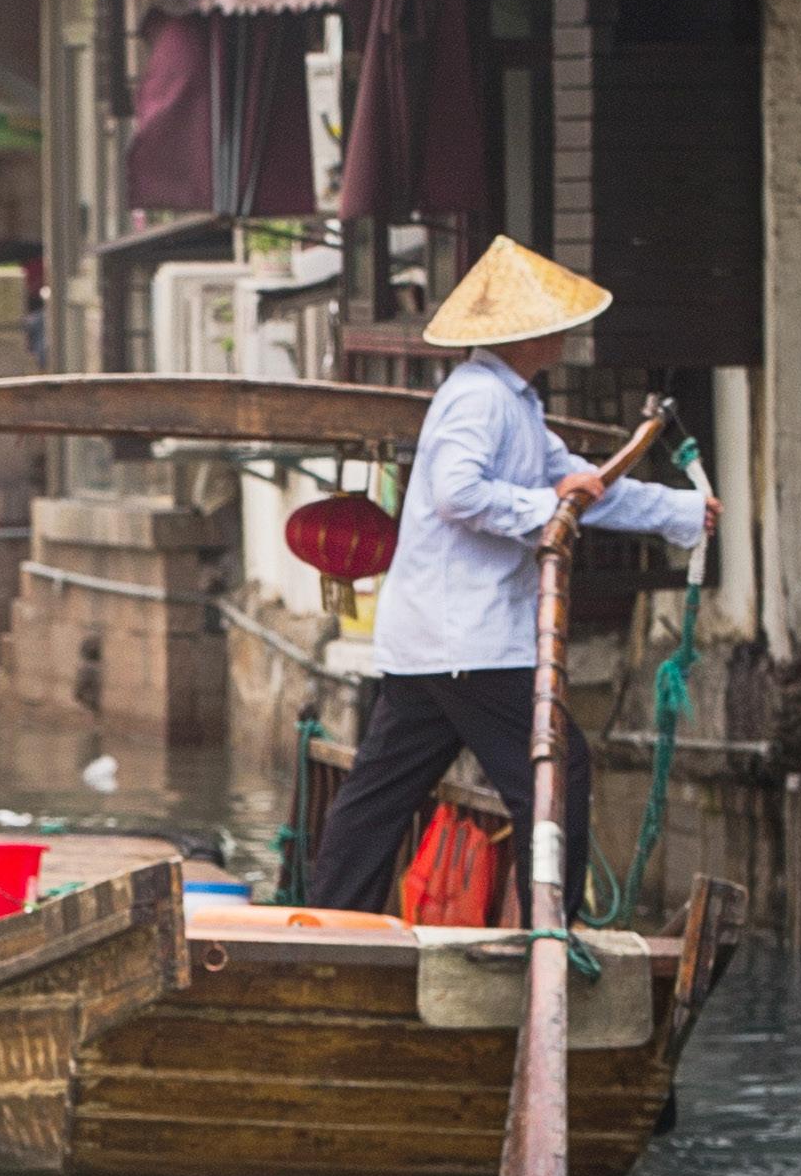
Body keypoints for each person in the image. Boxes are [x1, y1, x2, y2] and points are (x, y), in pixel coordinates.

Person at [303, 240, 718, 915]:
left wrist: (680, 513)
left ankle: (329, 916)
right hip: (467, 640)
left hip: (442, 640)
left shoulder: (513, 402)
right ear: (526, 333)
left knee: (382, 792)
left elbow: (584, 487)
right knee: (554, 773)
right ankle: (550, 929)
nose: (563, 334)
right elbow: (458, 493)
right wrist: (547, 505)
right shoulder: (480, 399)